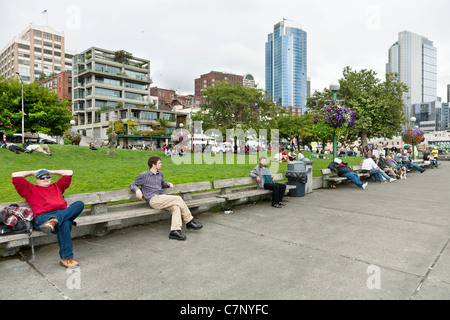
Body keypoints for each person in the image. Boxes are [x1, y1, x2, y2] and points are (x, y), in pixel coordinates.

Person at [11, 169, 84, 268]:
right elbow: (15, 174)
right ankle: (66, 258)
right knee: (65, 223)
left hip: (59, 215)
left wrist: (50, 171)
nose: (45, 178)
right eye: (41, 177)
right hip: (43, 218)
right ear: (37, 180)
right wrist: (33, 172)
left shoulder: (57, 186)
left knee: (79, 204)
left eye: (48, 176)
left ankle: (54, 221)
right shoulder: (30, 189)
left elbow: (69, 172)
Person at [129, 156, 203, 241]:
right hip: (153, 199)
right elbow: (132, 184)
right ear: (153, 165)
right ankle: (189, 221)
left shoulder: (160, 173)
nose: (161, 164)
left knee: (176, 207)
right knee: (178, 199)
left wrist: (167, 184)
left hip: (162, 198)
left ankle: (175, 231)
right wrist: (137, 190)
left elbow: (162, 183)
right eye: (159, 163)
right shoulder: (143, 175)